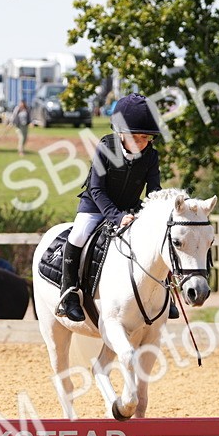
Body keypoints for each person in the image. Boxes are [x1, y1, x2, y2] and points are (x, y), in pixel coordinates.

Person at [56, 93, 163, 323]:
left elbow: (154, 192)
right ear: (121, 133)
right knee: (78, 235)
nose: (143, 143)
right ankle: (69, 294)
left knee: (160, 239)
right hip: (95, 206)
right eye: (137, 137)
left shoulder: (151, 157)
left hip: (131, 209)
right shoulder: (106, 148)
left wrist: (149, 215)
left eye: (147, 138)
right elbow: (96, 189)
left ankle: (165, 295)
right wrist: (116, 216)